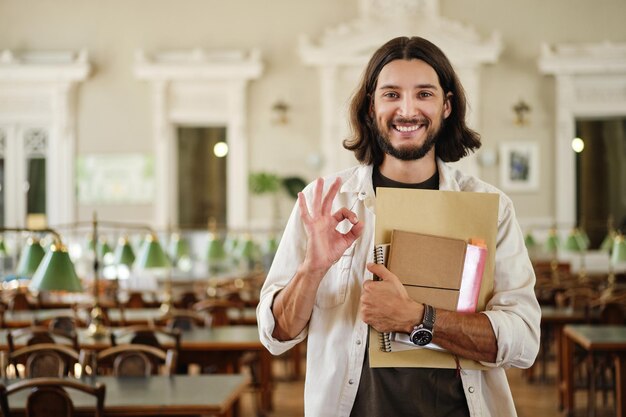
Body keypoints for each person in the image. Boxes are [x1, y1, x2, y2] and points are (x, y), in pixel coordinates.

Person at [257, 36, 541, 417]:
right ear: (371, 105)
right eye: (391, 94)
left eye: (424, 94)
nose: (407, 110)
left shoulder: (492, 209)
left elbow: (523, 341)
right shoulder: (326, 201)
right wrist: (311, 270)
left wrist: (417, 319)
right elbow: (276, 335)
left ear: (447, 105)